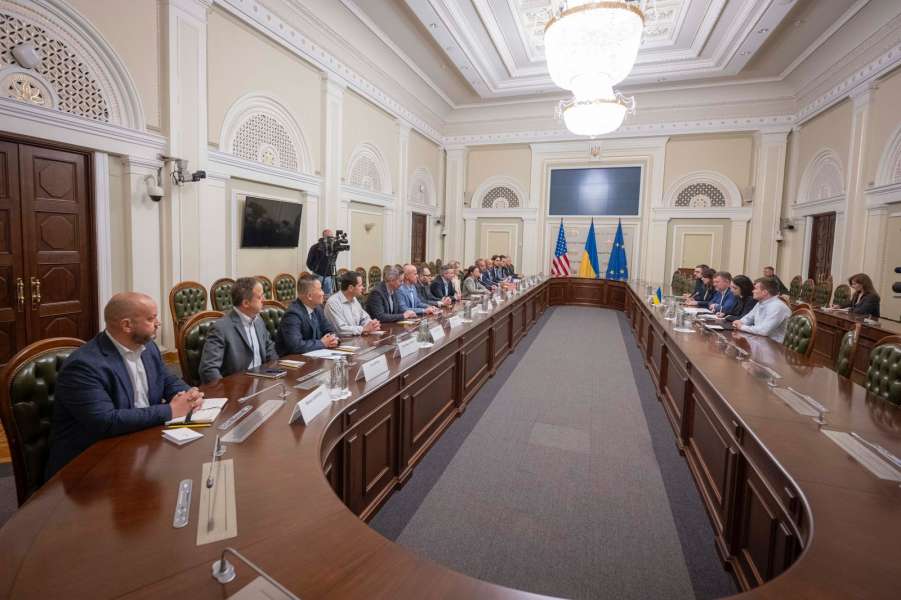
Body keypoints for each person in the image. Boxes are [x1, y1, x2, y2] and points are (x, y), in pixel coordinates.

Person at [46, 293, 203, 478]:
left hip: (141, 444)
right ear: (127, 325)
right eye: (151, 319)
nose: (158, 323)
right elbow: (105, 421)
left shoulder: (148, 347)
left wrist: (188, 394)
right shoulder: (84, 365)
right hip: (90, 465)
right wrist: (170, 410)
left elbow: (167, 380)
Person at [199, 277, 278, 383]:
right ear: (246, 303)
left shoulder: (258, 320)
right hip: (236, 387)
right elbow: (209, 370)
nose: (264, 300)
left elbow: (270, 349)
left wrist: (276, 373)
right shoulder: (220, 328)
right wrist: (226, 391)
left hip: (262, 382)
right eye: (260, 297)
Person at [276, 275, 339, 355]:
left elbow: (329, 329)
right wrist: (322, 343)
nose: (323, 293)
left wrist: (333, 339)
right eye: (320, 289)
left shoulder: (317, 308)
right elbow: (296, 346)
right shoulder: (293, 314)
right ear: (309, 296)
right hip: (293, 359)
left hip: (315, 355)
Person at [733, 277, 792, 342]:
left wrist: (742, 327)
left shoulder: (777, 307)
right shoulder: (760, 303)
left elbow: (764, 331)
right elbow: (748, 318)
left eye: (755, 289)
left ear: (764, 292)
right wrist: (740, 322)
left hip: (774, 344)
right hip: (760, 340)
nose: (752, 291)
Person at [324, 271, 382, 336]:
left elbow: (364, 318)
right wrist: (363, 329)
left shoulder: (354, 299)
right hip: (342, 340)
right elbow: (341, 329)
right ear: (351, 288)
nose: (363, 287)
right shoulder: (333, 302)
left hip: (356, 339)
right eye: (360, 285)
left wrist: (372, 324)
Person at [306, 228, 336, 295]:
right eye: (329, 237)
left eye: (332, 237)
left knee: (328, 296)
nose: (331, 239)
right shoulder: (315, 247)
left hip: (329, 276)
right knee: (316, 294)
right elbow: (308, 263)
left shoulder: (332, 248)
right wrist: (316, 269)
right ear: (323, 237)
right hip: (317, 275)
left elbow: (333, 260)